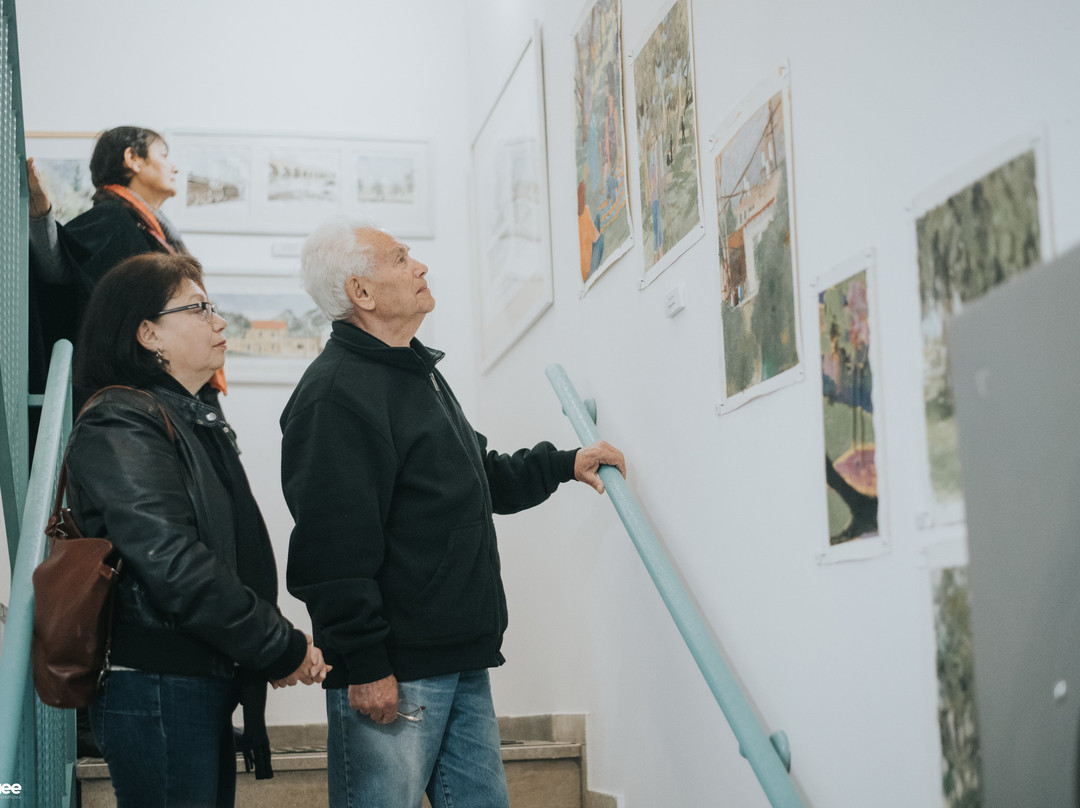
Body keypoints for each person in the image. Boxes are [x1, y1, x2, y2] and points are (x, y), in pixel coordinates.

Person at [280, 219, 626, 808]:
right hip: (396, 666)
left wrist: (565, 463)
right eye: (400, 258)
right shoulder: (336, 395)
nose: (420, 267)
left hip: (458, 655)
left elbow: (476, 476)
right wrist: (364, 663)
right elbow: (332, 551)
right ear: (360, 292)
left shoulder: (413, 371)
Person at [62, 252, 330, 808]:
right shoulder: (120, 417)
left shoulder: (187, 418)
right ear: (147, 333)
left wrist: (263, 647)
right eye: (199, 308)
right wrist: (276, 643)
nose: (220, 322)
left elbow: (215, 556)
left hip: (191, 677)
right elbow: (173, 563)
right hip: (157, 682)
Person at [27, 126, 226, 409]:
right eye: (164, 155)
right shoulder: (111, 219)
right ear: (133, 159)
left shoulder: (151, 227)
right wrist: (41, 216)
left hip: (166, 391)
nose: (175, 167)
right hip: (142, 394)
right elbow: (60, 273)